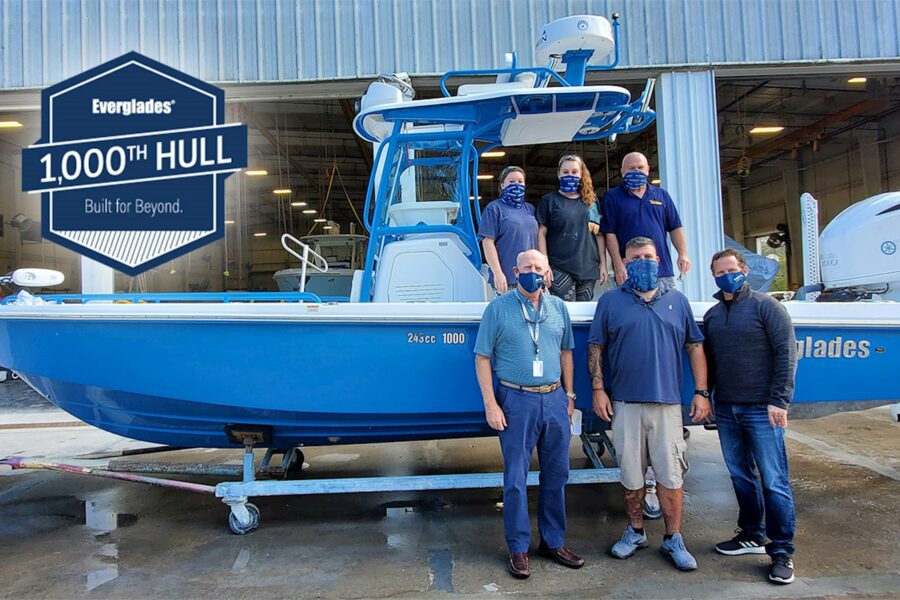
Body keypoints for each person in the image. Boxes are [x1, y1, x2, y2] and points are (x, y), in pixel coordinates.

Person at [587, 236, 711, 571]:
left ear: (659, 260)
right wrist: (598, 389)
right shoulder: (610, 301)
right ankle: (636, 531)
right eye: (635, 258)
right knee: (631, 475)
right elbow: (596, 346)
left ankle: (673, 537)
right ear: (624, 263)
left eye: (648, 256)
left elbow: (694, 346)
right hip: (625, 403)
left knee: (671, 475)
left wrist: (701, 392)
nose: (642, 262)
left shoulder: (678, 301)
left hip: (667, 404)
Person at [474, 249, 584, 579]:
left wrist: (569, 396)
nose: (533, 272)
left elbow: (566, 351)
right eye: (527, 267)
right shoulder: (498, 309)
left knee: (557, 474)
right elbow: (482, 358)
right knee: (516, 479)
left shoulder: (558, 308)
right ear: (515, 271)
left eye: (539, 267)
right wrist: (491, 404)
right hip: (516, 400)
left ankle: (553, 541)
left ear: (548, 273)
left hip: (553, 398)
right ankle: (518, 547)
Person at [703, 248, 798, 585]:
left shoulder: (767, 307)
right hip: (727, 409)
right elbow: (710, 362)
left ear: (744, 270)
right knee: (741, 476)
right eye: (719, 272)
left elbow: (787, 353)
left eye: (731, 269)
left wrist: (779, 401)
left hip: (762, 409)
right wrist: (708, 398)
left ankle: (782, 550)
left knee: (774, 480)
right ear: (713, 276)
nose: (726, 276)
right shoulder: (713, 316)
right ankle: (751, 533)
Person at [601, 152, 691, 288]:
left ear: (648, 170)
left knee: (666, 301)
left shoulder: (662, 195)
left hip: (661, 271)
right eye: (631, 168)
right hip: (628, 271)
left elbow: (675, 227)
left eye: (640, 167)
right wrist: (618, 264)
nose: (636, 171)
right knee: (628, 302)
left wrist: (682, 254)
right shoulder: (612, 197)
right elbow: (610, 233)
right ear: (622, 171)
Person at [537, 154, 608, 301]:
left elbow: (599, 234)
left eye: (574, 172)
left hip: (588, 266)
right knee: (565, 308)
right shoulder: (549, 200)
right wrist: (544, 264)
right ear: (559, 174)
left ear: (581, 174)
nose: (570, 175)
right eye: (565, 172)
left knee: (583, 310)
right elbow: (541, 233)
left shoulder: (591, 202)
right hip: (559, 266)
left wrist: (603, 264)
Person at [480, 166, 538, 294]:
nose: (516, 185)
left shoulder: (530, 209)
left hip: (532, 279)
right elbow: (488, 242)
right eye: (511, 181)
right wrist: (498, 273)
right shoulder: (494, 208)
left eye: (520, 181)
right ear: (502, 185)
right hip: (507, 280)